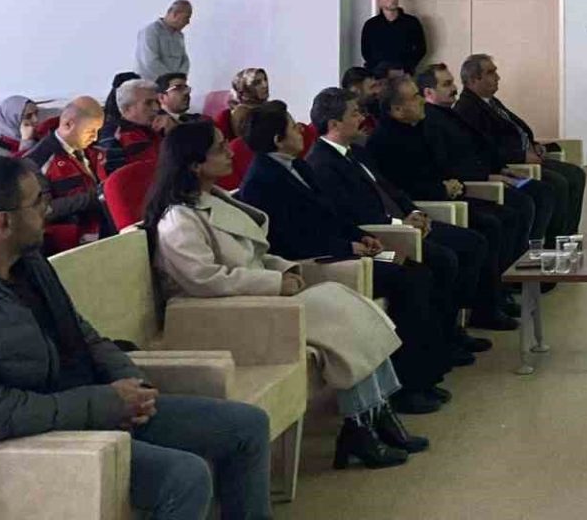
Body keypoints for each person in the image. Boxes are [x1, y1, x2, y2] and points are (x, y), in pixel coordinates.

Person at [0, 156, 273, 519]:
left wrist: (130, 382)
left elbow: (82, 333)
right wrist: (105, 402)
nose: (49, 209)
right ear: (4, 223)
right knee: (185, 476)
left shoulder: (28, 263)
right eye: (38, 202)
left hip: (97, 406)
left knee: (247, 426)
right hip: (45, 437)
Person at [145, 122, 421, 470]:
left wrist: (284, 269)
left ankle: (375, 415)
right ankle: (361, 425)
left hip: (255, 299)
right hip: (225, 315)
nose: (231, 151)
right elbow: (205, 280)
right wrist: (274, 283)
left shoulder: (214, 198)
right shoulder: (179, 219)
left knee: (352, 308)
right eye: (219, 148)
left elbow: (255, 254)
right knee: (342, 323)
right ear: (194, 164)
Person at [236, 102, 456, 413]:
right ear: (277, 139)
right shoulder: (262, 180)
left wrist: (360, 236)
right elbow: (291, 239)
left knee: (413, 267)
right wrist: (348, 247)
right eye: (292, 126)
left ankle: (425, 374)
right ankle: (408, 388)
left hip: (348, 250)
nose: (300, 130)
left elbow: (333, 214)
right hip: (324, 262)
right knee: (407, 281)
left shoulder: (297, 166)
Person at [306, 83, 516, 335]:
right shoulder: (322, 164)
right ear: (334, 124)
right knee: (443, 260)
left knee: (473, 242)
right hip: (383, 236)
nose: (362, 118)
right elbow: (354, 213)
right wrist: (399, 224)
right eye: (354, 113)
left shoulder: (357, 152)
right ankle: (443, 337)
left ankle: (459, 325)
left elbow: (391, 190)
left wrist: (414, 212)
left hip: (404, 223)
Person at [455, 54, 585, 241]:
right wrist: (521, 155)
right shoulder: (467, 109)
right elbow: (487, 148)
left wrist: (533, 145)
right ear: (474, 80)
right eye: (491, 73)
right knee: (559, 183)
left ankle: (569, 236)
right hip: (512, 163)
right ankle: (554, 241)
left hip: (528, 155)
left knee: (576, 174)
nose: (497, 77)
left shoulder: (491, 101)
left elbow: (516, 128)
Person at [416, 63, 540, 257]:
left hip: (487, 175)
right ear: (428, 93)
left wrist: (500, 168)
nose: (454, 88)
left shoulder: (450, 114)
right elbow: (449, 164)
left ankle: (528, 257)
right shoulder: (431, 122)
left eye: (452, 83)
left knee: (536, 192)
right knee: (521, 204)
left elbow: (480, 148)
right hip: (469, 185)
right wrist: (488, 176)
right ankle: (515, 267)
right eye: (447, 84)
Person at [23, 97, 115, 245]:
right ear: (68, 125)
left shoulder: (93, 152)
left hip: (104, 227)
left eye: (98, 131)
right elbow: (43, 210)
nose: (95, 137)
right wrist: (93, 198)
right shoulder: (37, 161)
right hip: (69, 240)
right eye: (90, 131)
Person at [99, 78, 169, 174]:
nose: (156, 108)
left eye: (157, 102)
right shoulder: (114, 137)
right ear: (127, 108)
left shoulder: (157, 130)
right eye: (148, 103)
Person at [361, 0, 427, 75]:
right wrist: (378, 68)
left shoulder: (411, 22)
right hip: (378, 74)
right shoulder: (371, 25)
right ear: (379, 0)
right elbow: (366, 51)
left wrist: (407, 67)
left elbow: (421, 48)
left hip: (404, 73)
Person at [136, 0, 192, 82]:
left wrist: (180, 77)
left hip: (172, 85)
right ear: (175, 14)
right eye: (186, 18)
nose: (188, 22)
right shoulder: (151, 31)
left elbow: (184, 60)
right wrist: (170, 79)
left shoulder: (179, 36)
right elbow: (150, 61)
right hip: (150, 84)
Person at [227, 67, 269, 143]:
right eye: (257, 83)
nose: (265, 85)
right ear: (245, 87)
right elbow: (246, 142)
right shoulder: (241, 112)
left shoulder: (265, 106)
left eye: (265, 80)